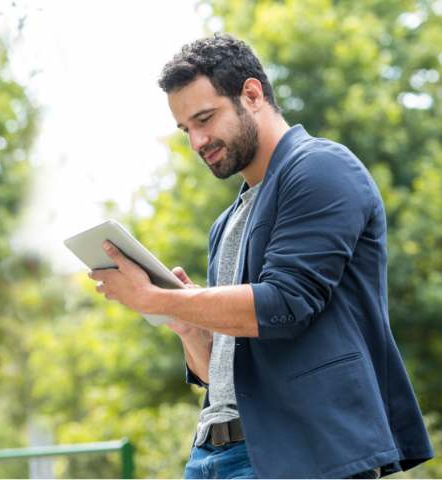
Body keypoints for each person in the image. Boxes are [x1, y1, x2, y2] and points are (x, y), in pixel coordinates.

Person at [88, 34, 433, 479]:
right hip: (213, 454)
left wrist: (155, 298)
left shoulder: (321, 168)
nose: (197, 141)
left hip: (303, 453)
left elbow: (284, 305)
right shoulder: (226, 223)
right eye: (185, 129)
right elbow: (223, 374)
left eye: (205, 118)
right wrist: (190, 327)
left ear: (251, 94)